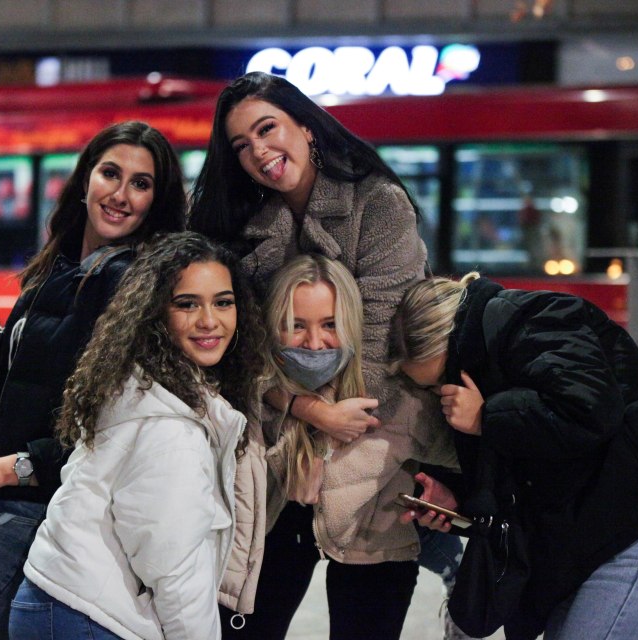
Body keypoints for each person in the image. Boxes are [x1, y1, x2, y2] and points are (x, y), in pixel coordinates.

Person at [189, 70, 460, 636]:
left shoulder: (377, 204)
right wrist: (309, 412)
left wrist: (325, 420)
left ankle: (447, 559)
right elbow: (236, 353)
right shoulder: (245, 228)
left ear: (307, 128)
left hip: (377, 445)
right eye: (242, 145)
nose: (259, 151)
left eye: (268, 129)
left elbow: (387, 341)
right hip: (282, 455)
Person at [0, 121, 187, 640]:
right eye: (110, 174)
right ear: (85, 180)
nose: (121, 195)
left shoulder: (134, 289)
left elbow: (110, 433)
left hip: (31, 520)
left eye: (141, 184)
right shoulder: (54, 267)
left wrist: (7, 469)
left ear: (155, 201)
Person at [389, 272, 638, 640]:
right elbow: (537, 465)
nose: (443, 394)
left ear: (454, 342)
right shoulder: (487, 358)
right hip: (592, 553)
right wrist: (459, 501)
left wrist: (487, 417)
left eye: (442, 377)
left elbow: (591, 409)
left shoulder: (529, 317)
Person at [7, 231, 269, 640]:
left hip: (60, 602)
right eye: (187, 304)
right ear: (155, 313)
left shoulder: (142, 385)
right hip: (88, 618)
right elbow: (175, 570)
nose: (209, 320)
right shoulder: (171, 430)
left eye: (223, 302)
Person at [227, 253, 448, 639]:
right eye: (296, 326)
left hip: (376, 547)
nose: (314, 344)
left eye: (330, 324)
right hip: (273, 540)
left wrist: (448, 493)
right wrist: (302, 417)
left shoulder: (396, 395)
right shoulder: (250, 391)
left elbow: (461, 460)